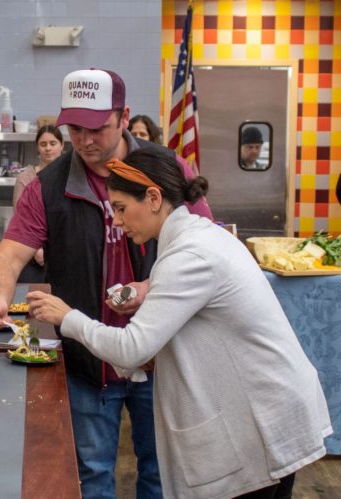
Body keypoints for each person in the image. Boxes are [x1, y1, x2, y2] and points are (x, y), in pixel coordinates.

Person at [27, 148, 332, 499]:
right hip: (265, 416)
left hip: (263, 424)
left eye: (122, 208)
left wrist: (67, 317)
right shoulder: (197, 238)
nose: (117, 222)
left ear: (154, 198)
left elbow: (131, 347)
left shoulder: (189, 255)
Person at [0, 68, 213, 499]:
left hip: (162, 359)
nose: (85, 140)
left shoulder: (165, 168)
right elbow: (9, 254)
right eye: (75, 128)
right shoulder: (49, 185)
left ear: (124, 117)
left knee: (163, 471)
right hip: (88, 361)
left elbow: (207, 246)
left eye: (97, 128)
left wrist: (150, 288)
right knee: (91, 472)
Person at [11, 124, 64, 282]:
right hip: (32, 253)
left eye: (53, 143)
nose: (48, 148)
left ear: (62, 146)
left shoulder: (72, 177)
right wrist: (36, 250)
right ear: (37, 148)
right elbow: (20, 218)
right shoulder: (25, 179)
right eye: (43, 144)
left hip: (64, 252)